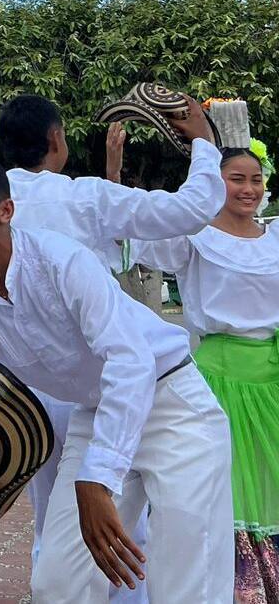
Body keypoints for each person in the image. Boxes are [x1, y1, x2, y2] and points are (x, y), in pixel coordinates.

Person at [0, 155, 233, 604]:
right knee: (59, 584)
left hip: (174, 408)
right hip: (97, 412)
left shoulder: (61, 260)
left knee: (186, 585)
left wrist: (99, 477)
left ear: (5, 211)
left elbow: (131, 361)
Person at [0, 93, 224, 603]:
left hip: (44, 395)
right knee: (130, 536)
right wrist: (205, 144)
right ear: (57, 140)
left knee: (60, 551)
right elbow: (192, 208)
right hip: (106, 389)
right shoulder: (82, 197)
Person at [132, 147, 279, 603]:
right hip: (218, 379)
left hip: (273, 378)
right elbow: (133, 230)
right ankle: (235, 590)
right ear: (215, 183)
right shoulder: (193, 238)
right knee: (223, 487)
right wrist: (115, 173)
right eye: (237, 178)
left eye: (255, 179)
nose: (249, 189)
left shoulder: (276, 238)